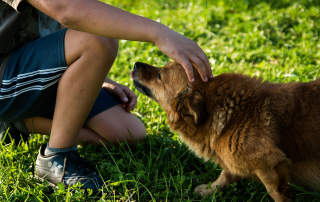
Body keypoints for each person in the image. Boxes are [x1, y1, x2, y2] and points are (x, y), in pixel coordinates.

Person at [0, 0, 212, 192]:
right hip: (4, 74)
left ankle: (18, 123)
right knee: (99, 40)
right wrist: (160, 33)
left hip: (32, 67)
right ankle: (57, 157)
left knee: (128, 133)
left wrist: (93, 73)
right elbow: (67, 10)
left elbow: (76, 13)